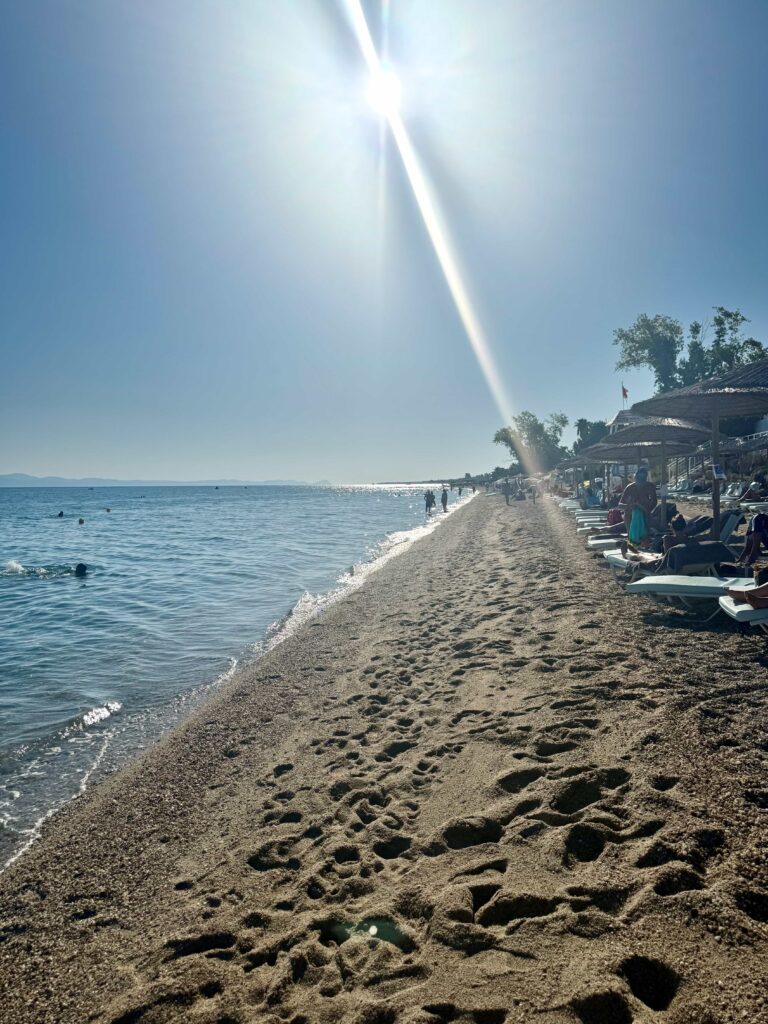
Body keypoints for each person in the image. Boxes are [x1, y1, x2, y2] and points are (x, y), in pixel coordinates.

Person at [619, 467, 657, 546]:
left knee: (645, 518)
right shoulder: (629, 487)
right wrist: (630, 506)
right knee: (628, 516)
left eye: (643, 478)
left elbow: (654, 502)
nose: (640, 480)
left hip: (645, 512)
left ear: (645, 478)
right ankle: (631, 539)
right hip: (630, 513)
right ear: (635, 477)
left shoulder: (650, 487)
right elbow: (620, 504)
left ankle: (645, 541)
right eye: (639, 478)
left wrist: (644, 507)